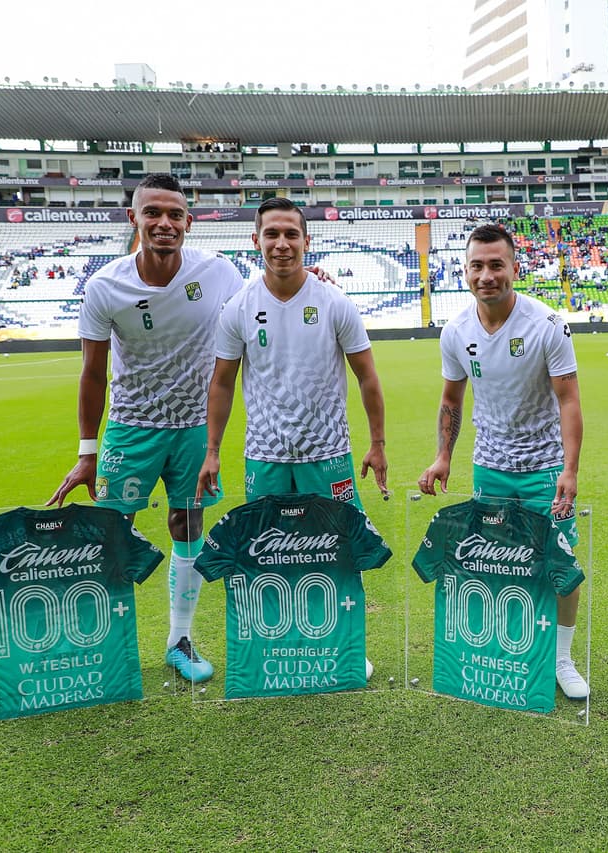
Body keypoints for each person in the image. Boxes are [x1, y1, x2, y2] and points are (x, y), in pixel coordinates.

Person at [49, 173, 245, 684]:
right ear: (132, 218)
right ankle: (104, 650)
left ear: (188, 221)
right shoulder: (105, 285)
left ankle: (179, 639)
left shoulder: (220, 272)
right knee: (111, 535)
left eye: (174, 214)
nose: (164, 223)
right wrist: (87, 451)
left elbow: (263, 305)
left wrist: (314, 281)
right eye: (152, 213)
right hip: (132, 428)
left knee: (188, 526)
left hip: (194, 429)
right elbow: (93, 372)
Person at [417, 223, 588, 700]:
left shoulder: (547, 326)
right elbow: (452, 399)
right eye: (477, 266)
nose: (486, 275)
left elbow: (569, 401)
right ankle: (507, 648)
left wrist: (570, 470)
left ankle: (560, 657)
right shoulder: (456, 331)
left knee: (562, 564)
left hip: (544, 467)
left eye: (496, 265)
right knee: (494, 563)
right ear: (465, 270)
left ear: (515, 267)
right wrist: (442, 457)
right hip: (489, 467)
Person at [198, 197, 388, 510]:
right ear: (256, 241)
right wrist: (212, 451)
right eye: (272, 234)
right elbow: (221, 383)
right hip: (264, 455)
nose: (282, 244)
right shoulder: (238, 307)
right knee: (269, 551)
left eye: (291, 234)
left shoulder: (335, 302)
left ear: (306, 241)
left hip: (328, 453)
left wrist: (378, 443)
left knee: (335, 549)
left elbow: (367, 376)